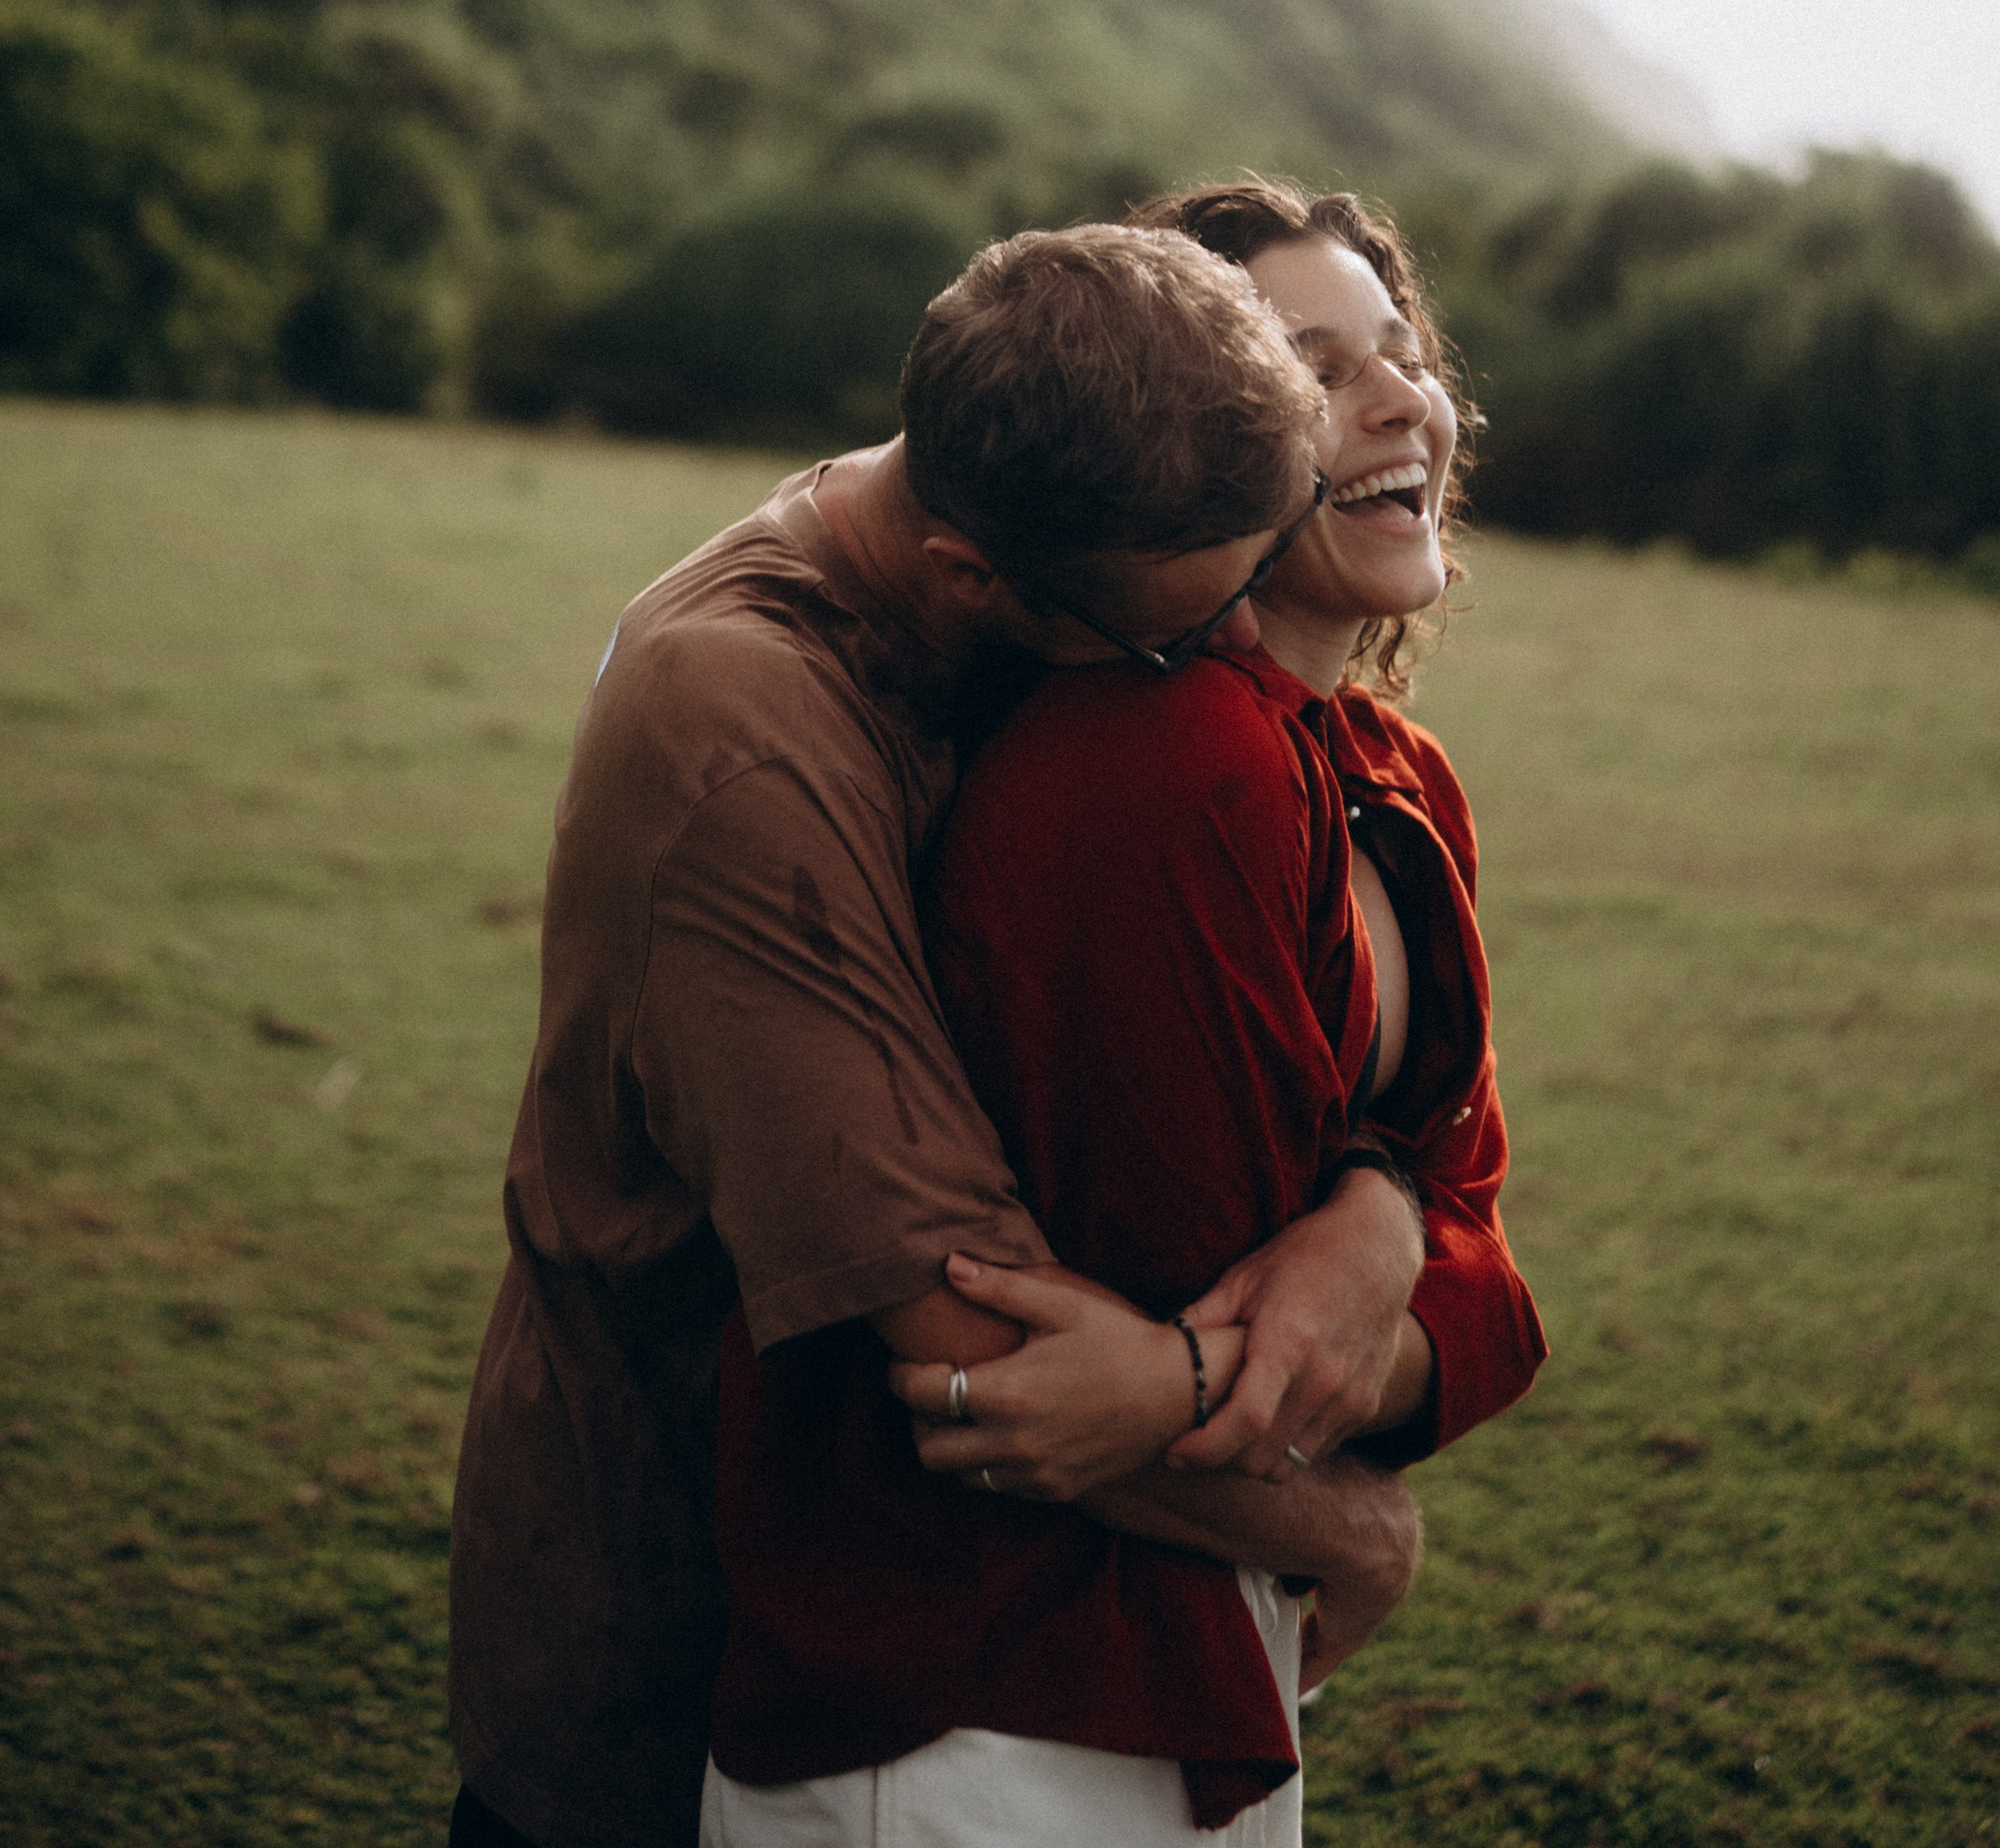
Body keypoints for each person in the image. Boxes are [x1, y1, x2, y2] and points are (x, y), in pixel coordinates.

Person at [448, 224, 1432, 1848]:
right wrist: (1350, 1533)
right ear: (982, 581)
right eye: (1181, 635)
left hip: (918, 1609)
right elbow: (974, 1349)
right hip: (683, 1629)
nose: (1219, 669)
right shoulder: (745, 744)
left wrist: (1377, 1196)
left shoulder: (1009, 492)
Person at [701, 184, 1545, 1842]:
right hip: (986, 1692)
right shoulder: (1173, 766)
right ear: (1195, 443)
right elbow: (1167, 1316)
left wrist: (1374, 1213)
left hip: (1192, 1639)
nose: (1396, 402)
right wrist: (1314, 1469)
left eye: (1400, 350)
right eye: (1314, 368)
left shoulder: (1390, 771)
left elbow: (1486, 1272)